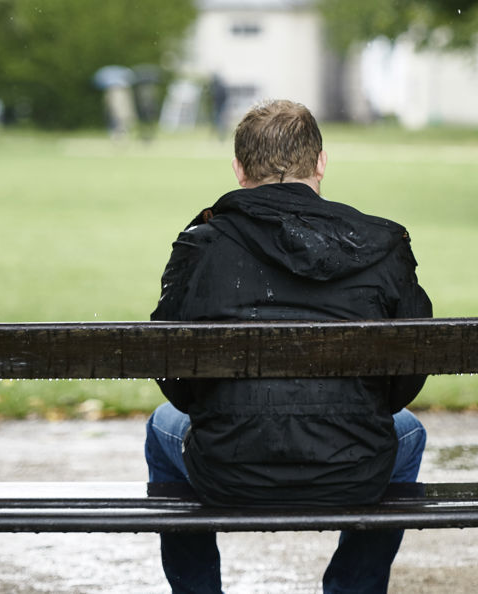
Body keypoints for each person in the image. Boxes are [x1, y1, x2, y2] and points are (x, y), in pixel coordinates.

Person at [145, 99, 432, 593]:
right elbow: (409, 373)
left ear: (239, 170)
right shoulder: (382, 245)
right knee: (409, 432)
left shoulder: (201, 245)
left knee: (160, 426)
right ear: (320, 163)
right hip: (354, 468)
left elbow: (172, 373)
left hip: (226, 469)